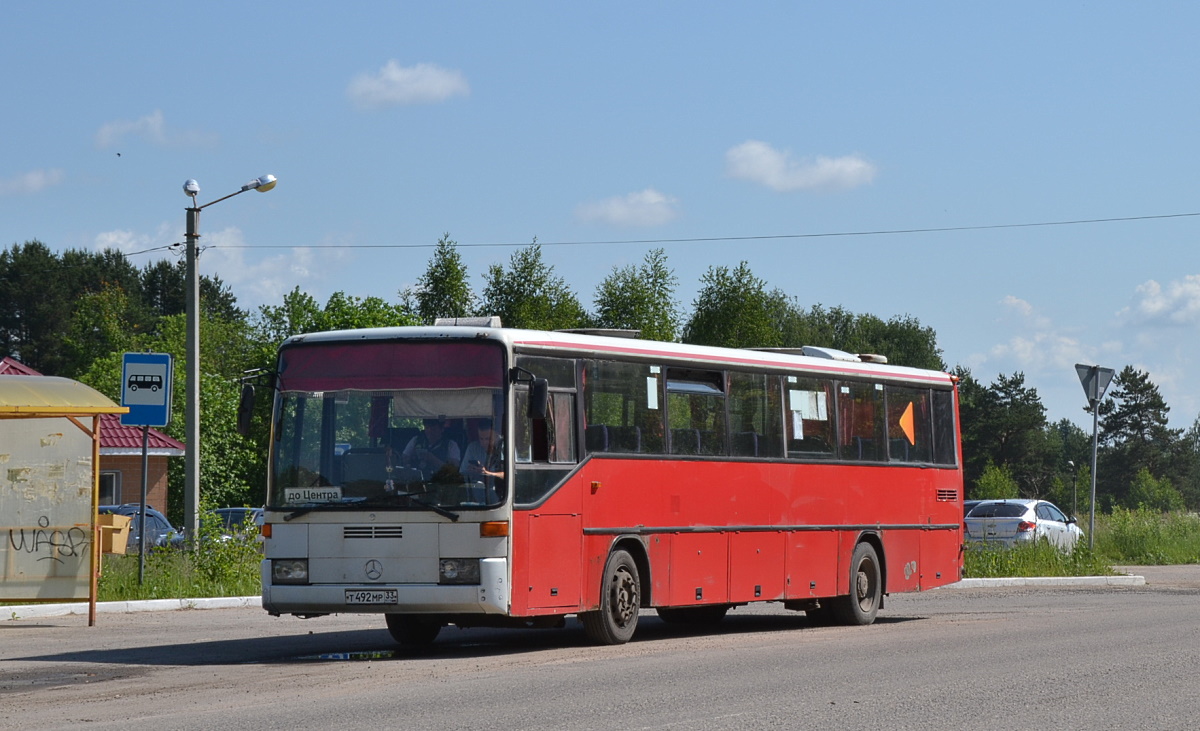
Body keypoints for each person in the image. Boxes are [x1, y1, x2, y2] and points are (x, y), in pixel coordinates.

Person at [460, 418, 504, 500]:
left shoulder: (505, 448)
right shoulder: (473, 448)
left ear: (496, 435)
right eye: (481, 439)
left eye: (488, 439)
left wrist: (487, 473)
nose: (484, 443)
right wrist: (471, 471)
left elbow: (509, 475)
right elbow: (462, 474)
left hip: (501, 496)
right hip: (476, 494)